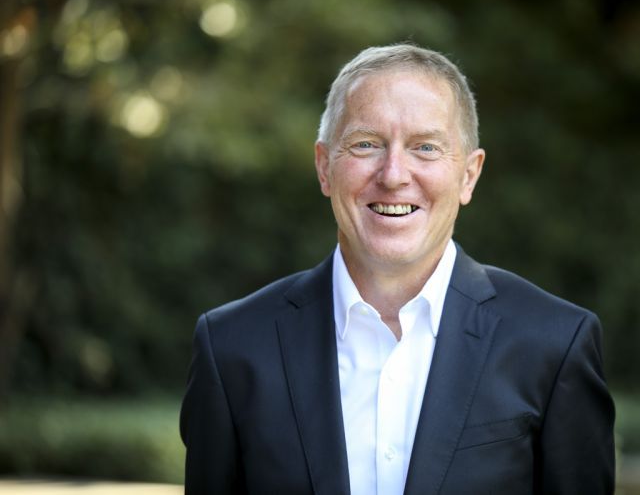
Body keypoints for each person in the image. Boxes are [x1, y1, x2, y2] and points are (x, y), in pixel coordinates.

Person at [180, 43, 615, 494]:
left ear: (469, 175)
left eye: (425, 148)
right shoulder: (231, 347)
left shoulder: (555, 343)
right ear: (324, 167)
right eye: (366, 144)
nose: (393, 175)